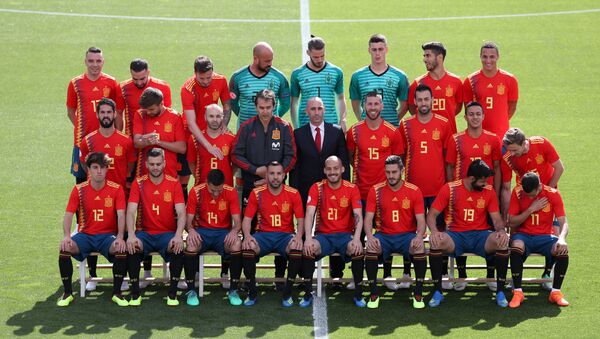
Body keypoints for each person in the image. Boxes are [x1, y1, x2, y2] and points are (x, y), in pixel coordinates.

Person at [231, 89, 296, 289]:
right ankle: (247, 276)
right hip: (252, 187)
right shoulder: (246, 127)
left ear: (274, 106)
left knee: (281, 227)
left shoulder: (284, 127)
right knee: (249, 229)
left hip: (277, 187)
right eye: (261, 107)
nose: (265, 111)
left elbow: (291, 156)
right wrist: (254, 170)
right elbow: (235, 155)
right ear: (255, 106)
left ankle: (279, 275)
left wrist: (272, 177)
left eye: (268, 107)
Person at [426, 160, 510, 308]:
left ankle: (500, 291)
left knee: (501, 242)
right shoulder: (450, 189)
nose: (485, 184)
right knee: (436, 242)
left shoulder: (488, 191)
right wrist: (434, 232)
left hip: (481, 236)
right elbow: (431, 215)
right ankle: (437, 291)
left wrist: (501, 231)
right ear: (471, 179)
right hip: (455, 235)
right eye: (482, 181)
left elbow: (496, 219)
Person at [289, 97, 350, 286]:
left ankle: (336, 273)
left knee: (336, 226)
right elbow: (295, 167)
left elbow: (344, 162)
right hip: (306, 188)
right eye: (313, 109)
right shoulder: (298, 134)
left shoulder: (336, 132)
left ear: (325, 110)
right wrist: (296, 193)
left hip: (333, 189)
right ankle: (302, 273)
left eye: (320, 108)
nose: (316, 112)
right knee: (306, 229)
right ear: (306, 112)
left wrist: (344, 189)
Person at [347, 91, 404, 289]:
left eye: (376, 104)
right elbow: (350, 156)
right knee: (361, 233)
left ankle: (386, 275)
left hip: (385, 193)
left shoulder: (392, 131)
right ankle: (358, 277)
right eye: (369, 104)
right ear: (364, 106)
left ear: (381, 106)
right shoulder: (354, 131)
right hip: (361, 191)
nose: (372, 108)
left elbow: (397, 161)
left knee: (385, 232)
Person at [57, 152, 128, 307]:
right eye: (95, 167)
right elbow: (68, 214)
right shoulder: (79, 189)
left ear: (107, 169)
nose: (99, 171)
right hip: (85, 236)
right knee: (64, 248)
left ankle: (117, 293)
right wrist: (67, 236)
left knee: (121, 249)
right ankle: (67, 293)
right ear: (88, 169)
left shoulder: (116, 189)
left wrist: (120, 237)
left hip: (107, 236)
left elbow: (121, 215)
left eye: (102, 167)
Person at [398, 84, 452, 288]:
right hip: (413, 191)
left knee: (440, 230)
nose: (423, 103)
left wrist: (448, 187)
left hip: (438, 189)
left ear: (432, 100)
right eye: (419, 100)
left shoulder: (444, 124)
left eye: (426, 99)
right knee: (409, 231)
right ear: (415, 102)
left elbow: (448, 160)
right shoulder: (406, 125)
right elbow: (401, 157)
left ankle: (443, 273)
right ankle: (407, 272)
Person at [444, 101, 502, 291]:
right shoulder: (456, 139)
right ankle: (461, 276)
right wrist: (453, 192)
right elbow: (450, 166)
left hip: (486, 196)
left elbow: (496, 167)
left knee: (489, 234)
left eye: (478, 114)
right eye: (471, 114)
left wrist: (497, 191)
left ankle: (491, 276)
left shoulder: (493, 139)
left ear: (483, 116)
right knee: (460, 231)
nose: (475, 117)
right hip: (461, 196)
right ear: (466, 117)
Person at [501, 127, 564, 288]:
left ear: (524, 143)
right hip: (524, 197)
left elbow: (559, 168)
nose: (512, 154)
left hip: (547, 197)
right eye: (509, 150)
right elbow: (507, 187)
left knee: (555, 235)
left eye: (515, 150)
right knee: (516, 235)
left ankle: (547, 272)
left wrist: (548, 193)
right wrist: (507, 214)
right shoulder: (508, 157)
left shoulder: (541, 143)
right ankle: (515, 277)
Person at [363, 155, 428, 309]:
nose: (390, 176)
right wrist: (370, 237)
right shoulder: (376, 190)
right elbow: (368, 219)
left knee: (419, 248)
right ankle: (373, 294)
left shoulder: (414, 191)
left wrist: (419, 237)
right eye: (388, 172)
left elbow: (421, 220)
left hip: (407, 236)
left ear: (402, 171)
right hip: (384, 235)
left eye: (394, 172)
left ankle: (418, 294)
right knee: (371, 248)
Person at [125, 148, 187, 306]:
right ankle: (135, 294)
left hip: (166, 234)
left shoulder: (174, 183)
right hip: (144, 234)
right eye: (152, 164)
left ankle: (172, 294)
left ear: (164, 163)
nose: (155, 167)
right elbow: (131, 211)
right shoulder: (138, 183)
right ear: (146, 164)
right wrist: (131, 235)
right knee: (132, 247)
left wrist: (178, 235)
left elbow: (181, 213)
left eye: (158, 164)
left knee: (178, 248)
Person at [302, 156, 365, 307]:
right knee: (309, 249)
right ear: (324, 170)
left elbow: (358, 216)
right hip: (324, 236)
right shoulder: (317, 187)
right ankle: (307, 293)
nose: (332, 172)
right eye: (329, 169)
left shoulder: (351, 188)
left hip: (344, 236)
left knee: (357, 249)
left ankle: (358, 293)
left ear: (342, 169)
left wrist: (356, 239)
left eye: (335, 168)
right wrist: (309, 238)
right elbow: (309, 214)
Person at [241, 161, 305, 306]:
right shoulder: (256, 193)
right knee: (248, 248)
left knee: (296, 249)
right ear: (267, 175)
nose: (275, 177)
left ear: (283, 175)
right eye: (271, 173)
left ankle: (287, 293)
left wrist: (298, 237)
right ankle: (252, 293)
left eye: (278, 174)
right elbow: (247, 220)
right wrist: (247, 236)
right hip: (263, 235)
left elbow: (300, 220)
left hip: (285, 236)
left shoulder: (293, 194)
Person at [507, 172, 570, 307]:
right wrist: (530, 209)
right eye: (527, 194)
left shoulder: (553, 194)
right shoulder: (518, 192)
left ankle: (555, 292)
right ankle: (518, 292)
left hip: (545, 237)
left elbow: (563, 222)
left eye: (531, 194)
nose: (529, 196)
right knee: (517, 246)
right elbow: (512, 222)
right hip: (523, 235)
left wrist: (562, 238)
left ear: (539, 186)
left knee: (562, 249)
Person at [183, 169, 244, 306]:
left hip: (222, 233)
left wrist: (234, 232)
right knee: (191, 244)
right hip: (201, 232)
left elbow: (237, 222)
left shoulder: (231, 192)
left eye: (219, 190)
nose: (216, 194)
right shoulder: (196, 191)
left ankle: (233, 290)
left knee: (236, 244)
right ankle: (191, 290)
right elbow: (188, 221)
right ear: (206, 183)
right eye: (212, 190)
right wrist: (191, 231)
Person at [66, 47, 123, 184]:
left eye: (98, 61)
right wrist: (82, 126)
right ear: (85, 62)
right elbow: (70, 111)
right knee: (82, 180)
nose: (95, 64)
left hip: (105, 139)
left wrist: (117, 134)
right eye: (91, 61)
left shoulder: (111, 82)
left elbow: (117, 112)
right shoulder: (75, 83)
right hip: (82, 140)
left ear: (103, 62)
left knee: (107, 178)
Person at [349, 34, 409, 126]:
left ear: (386, 50)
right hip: (367, 129)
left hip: (391, 130)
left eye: (380, 49)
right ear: (369, 50)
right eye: (374, 50)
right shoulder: (357, 76)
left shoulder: (400, 76)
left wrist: (391, 122)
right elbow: (355, 105)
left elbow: (404, 105)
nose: (377, 53)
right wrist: (365, 121)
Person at [463, 41, 518, 139]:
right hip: (478, 135)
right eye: (485, 56)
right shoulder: (470, 80)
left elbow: (512, 107)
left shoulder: (510, 79)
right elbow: (468, 110)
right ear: (480, 56)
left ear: (498, 57)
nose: (488, 60)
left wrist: (500, 121)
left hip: (501, 135)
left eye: (492, 57)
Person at [290, 36, 347, 130]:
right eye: (316, 57)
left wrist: (343, 120)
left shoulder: (336, 72)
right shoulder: (298, 74)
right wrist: (296, 127)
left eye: (322, 55)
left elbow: (341, 98)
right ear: (308, 53)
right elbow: (294, 102)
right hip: (306, 125)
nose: (320, 60)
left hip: (331, 125)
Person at [181, 55, 231, 160]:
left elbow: (227, 106)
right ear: (195, 73)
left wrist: (224, 124)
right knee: (186, 172)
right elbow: (191, 122)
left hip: (212, 130)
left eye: (209, 77)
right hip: (191, 134)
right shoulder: (188, 89)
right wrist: (208, 146)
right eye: (201, 78)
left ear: (213, 71)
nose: (205, 81)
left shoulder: (221, 80)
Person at [230, 42, 290, 127]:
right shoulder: (238, 78)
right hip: (245, 132)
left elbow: (286, 104)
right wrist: (245, 119)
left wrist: (273, 117)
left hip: (271, 130)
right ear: (256, 59)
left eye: (271, 60)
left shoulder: (279, 78)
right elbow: (233, 103)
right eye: (267, 61)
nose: (270, 64)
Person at [408, 41, 463, 133]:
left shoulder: (456, 81)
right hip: (427, 136)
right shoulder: (418, 83)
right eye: (424, 56)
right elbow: (412, 108)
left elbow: (458, 108)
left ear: (440, 57)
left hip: (449, 136)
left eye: (428, 56)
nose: (424, 59)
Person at [132, 87, 186, 179]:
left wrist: (158, 142)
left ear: (161, 103)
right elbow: (136, 143)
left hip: (169, 174)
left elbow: (182, 148)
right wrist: (147, 141)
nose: (148, 112)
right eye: (146, 109)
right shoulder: (140, 114)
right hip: (144, 175)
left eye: (151, 109)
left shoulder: (174, 117)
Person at [121, 58, 172, 137]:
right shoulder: (123, 88)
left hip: (158, 136)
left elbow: (167, 114)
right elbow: (118, 113)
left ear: (148, 72)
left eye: (142, 78)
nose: (139, 83)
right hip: (133, 137)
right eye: (135, 79)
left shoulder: (163, 87)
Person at [187, 104, 235, 187]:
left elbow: (235, 164)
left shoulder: (231, 138)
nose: (215, 120)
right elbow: (191, 163)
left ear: (222, 117)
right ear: (205, 117)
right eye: (211, 116)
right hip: (202, 186)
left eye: (218, 116)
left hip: (225, 187)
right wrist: (199, 178)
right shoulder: (195, 139)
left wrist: (228, 175)